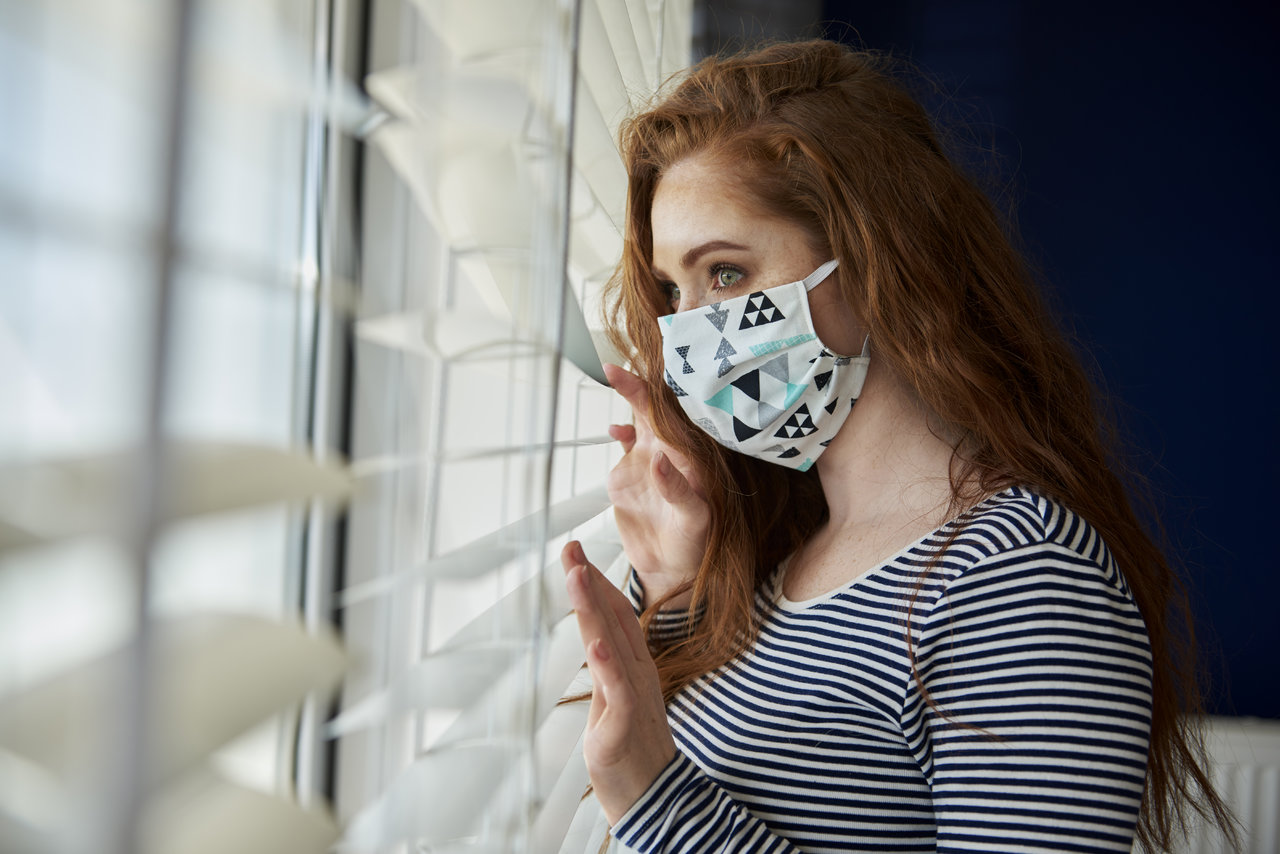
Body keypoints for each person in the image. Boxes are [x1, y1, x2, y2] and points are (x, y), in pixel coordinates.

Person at [560, 40, 1232, 853]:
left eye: (726, 273)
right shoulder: (786, 552)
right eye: (673, 289)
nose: (685, 334)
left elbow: (664, 801)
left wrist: (653, 799)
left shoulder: (1017, 575)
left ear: (875, 256)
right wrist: (677, 589)